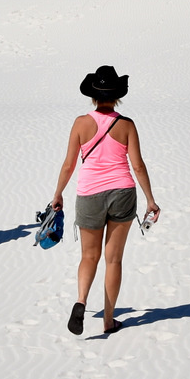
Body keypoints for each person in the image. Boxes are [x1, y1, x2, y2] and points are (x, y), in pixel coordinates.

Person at [50, 65, 160, 336]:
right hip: (123, 192)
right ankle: (108, 320)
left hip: (89, 194)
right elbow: (138, 166)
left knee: (89, 256)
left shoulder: (81, 123)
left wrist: (58, 194)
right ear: (117, 96)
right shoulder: (126, 124)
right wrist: (150, 200)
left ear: (94, 95)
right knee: (114, 260)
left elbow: (68, 165)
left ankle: (80, 301)